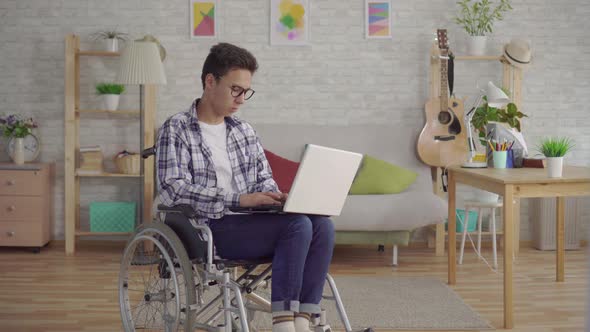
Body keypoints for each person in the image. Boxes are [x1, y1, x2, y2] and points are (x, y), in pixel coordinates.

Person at [155, 42, 335, 332]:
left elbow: (263, 178)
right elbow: (172, 189)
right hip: (208, 229)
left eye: (246, 92)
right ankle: (283, 325)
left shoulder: (244, 131)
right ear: (210, 81)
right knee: (297, 226)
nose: (241, 99)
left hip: (251, 223)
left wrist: (274, 197)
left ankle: (303, 320)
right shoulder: (176, 128)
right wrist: (239, 200)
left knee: (321, 225)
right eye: (235, 89)